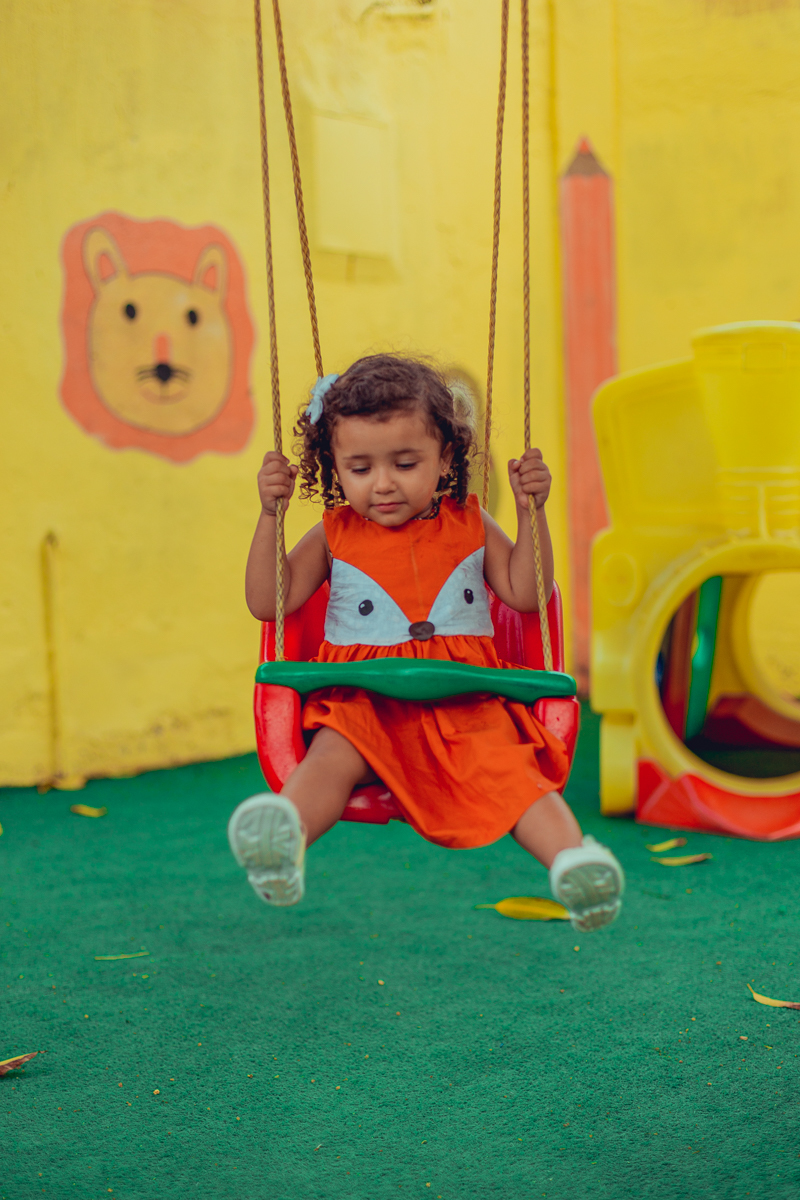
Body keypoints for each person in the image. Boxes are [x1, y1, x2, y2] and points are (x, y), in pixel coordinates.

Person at [228, 354, 624, 931]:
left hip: (466, 701)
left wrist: (529, 510)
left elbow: (525, 592)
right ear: (333, 467)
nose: (382, 483)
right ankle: (283, 841)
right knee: (332, 757)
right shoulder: (334, 533)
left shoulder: (469, 521)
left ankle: (574, 864)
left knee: (514, 774)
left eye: (405, 463)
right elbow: (270, 602)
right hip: (364, 701)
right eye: (359, 468)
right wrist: (270, 514)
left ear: (444, 460)